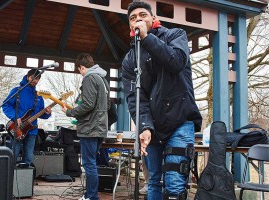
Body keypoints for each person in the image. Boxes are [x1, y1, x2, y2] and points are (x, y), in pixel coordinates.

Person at [121, 1, 202, 199]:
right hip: (153, 127)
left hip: (180, 122)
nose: (138, 20)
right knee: (153, 182)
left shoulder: (175, 35)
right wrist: (145, 127)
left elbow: (176, 61)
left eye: (142, 15)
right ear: (130, 26)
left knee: (174, 186)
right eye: (133, 18)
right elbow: (135, 98)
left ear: (153, 18)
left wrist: (147, 38)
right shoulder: (130, 60)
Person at [61, 53, 109, 200]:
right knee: (92, 164)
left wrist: (70, 112)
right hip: (100, 127)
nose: (80, 73)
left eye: (79, 70)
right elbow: (107, 104)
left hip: (89, 129)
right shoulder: (102, 78)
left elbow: (88, 104)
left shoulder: (89, 77)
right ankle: (89, 195)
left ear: (82, 67)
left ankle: (92, 197)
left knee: (89, 165)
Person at [2, 69, 52, 166]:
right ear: (27, 77)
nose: (35, 80)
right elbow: (6, 105)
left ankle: (25, 179)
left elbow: (42, 114)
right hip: (17, 128)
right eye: (33, 77)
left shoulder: (39, 96)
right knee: (14, 154)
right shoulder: (17, 91)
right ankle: (10, 179)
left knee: (29, 157)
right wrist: (15, 117)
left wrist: (48, 113)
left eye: (37, 78)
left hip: (32, 130)